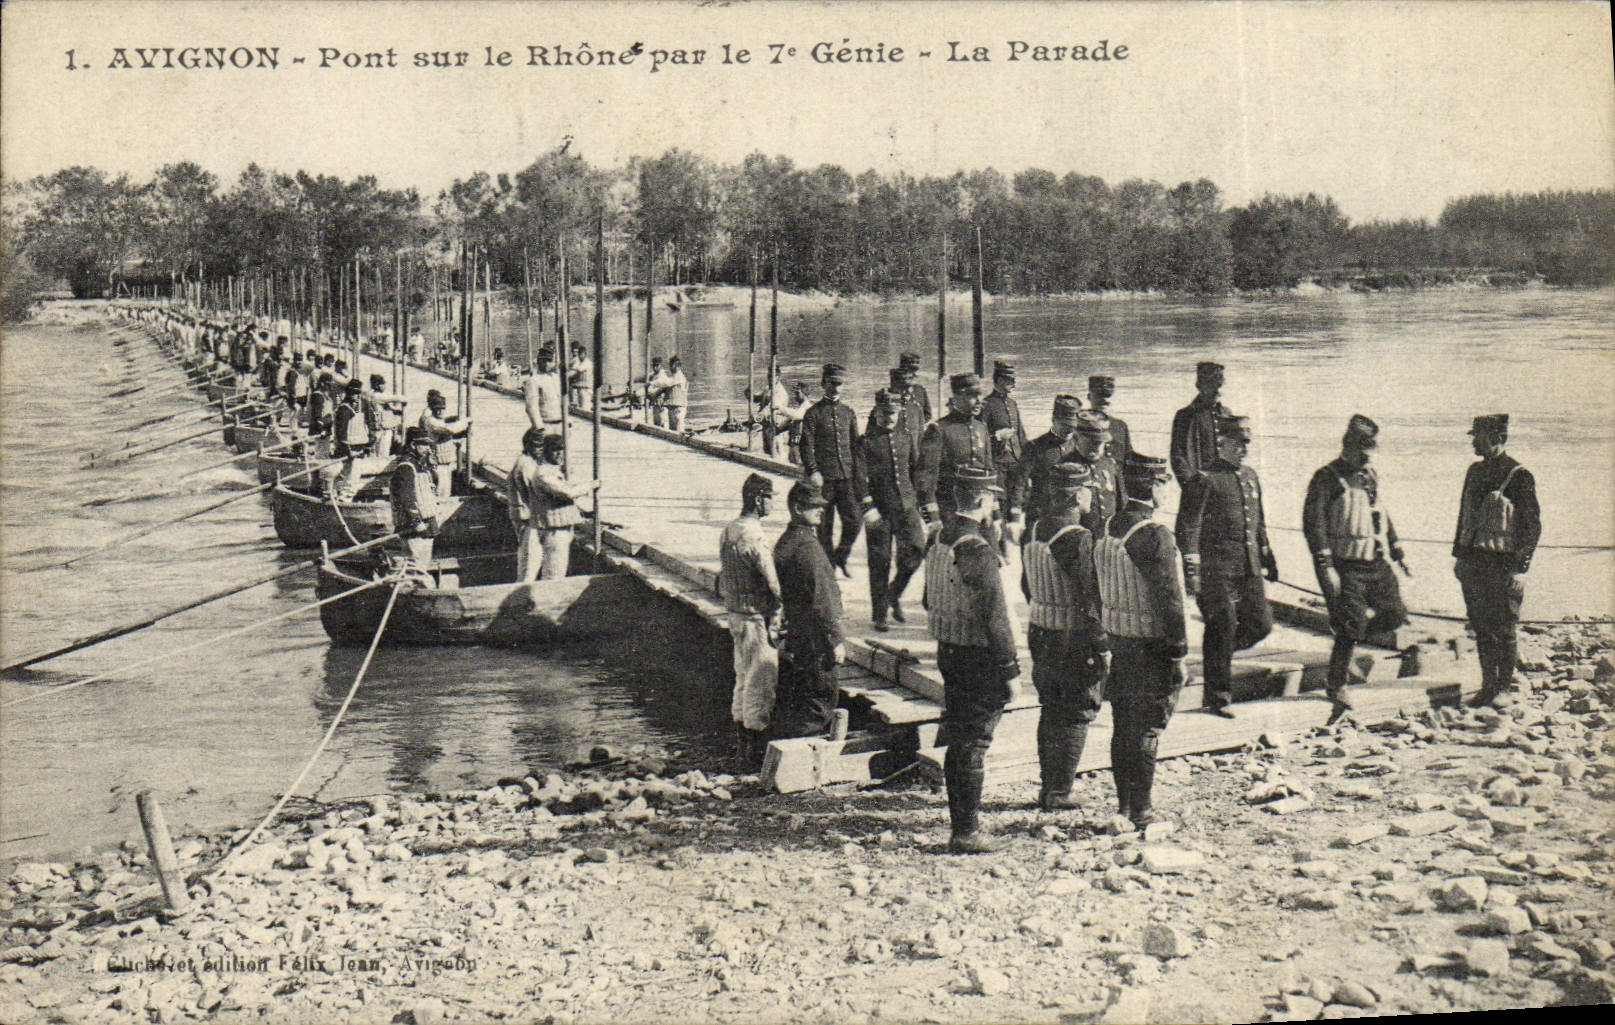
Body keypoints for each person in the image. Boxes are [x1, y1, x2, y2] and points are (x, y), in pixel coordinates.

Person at [924, 465, 1020, 853]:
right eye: (992, 498)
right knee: (974, 741)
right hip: (978, 657)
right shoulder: (976, 549)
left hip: (948, 648)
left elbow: (928, 599)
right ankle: (966, 832)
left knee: (960, 736)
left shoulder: (939, 538)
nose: (994, 504)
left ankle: (963, 825)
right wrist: (1010, 668)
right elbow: (995, 616)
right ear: (981, 500)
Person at [1095, 453, 1189, 828]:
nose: (1168, 490)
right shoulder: (1154, 534)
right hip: (1152, 645)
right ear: (1154, 487)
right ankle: (1143, 809)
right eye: (1165, 483)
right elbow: (1172, 601)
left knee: (1123, 724)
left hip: (1119, 639)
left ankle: (1123, 806)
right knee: (1149, 726)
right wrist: (1179, 653)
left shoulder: (1107, 526)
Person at [1303, 414, 1410, 718]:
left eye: (1370, 452)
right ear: (1347, 446)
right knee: (1350, 625)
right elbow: (1314, 525)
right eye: (1362, 453)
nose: (1367, 459)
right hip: (1344, 564)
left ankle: (1351, 643)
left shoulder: (1370, 475)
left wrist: (1397, 549)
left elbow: (1381, 513)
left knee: (1395, 615)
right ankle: (1336, 683)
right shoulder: (1326, 478)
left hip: (1375, 561)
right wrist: (1326, 566)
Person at [1176, 415, 1277, 718]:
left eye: (1247, 443)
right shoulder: (1204, 479)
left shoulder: (1250, 476)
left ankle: (1216, 658)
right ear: (1222, 443)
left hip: (1248, 565)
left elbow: (1258, 521)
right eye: (1237, 443)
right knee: (1222, 626)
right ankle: (1218, 697)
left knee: (1261, 624)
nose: (1243, 449)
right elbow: (1187, 527)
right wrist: (1192, 570)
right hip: (1215, 569)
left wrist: (1268, 556)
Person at [1021, 462, 1108, 811]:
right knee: (1077, 710)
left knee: (1051, 707)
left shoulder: (1034, 529)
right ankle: (1059, 792)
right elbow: (1091, 597)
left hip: (1041, 629)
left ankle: (1049, 787)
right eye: (1088, 490)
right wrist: (1101, 643)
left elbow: (1026, 584)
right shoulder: (1077, 538)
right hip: (1072, 637)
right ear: (1076, 496)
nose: (1091, 497)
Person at [1453, 413, 1541, 709]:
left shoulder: (1519, 475)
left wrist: (1521, 569)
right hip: (1474, 562)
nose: (1474, 443)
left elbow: (1532, 527)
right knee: (1481, 626)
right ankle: (1487, 687)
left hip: (1504, 565)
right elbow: (1464, 517)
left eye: (1478, 437)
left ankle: (1503, 688)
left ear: (1498, 438)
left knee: (1504, 627)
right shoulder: (1474, 472)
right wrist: (1459, 557)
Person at [771, 481, 846, 740]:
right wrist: (835, 640)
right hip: (817, 641)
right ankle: (805, 755)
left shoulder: (789, 540)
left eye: (821, 505)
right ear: (797, 508)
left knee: (804, 700)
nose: (821, 510)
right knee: (820, 704)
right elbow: (821, 600)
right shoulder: (807, 547)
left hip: (800, 636)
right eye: (814, 506)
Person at [718, 473, 783, 768]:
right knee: (761, 683)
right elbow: (774, 583)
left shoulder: (729, 530)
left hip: (735, 614)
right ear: (758, 500)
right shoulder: (755, 536)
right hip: (757, 618)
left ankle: (741, 749)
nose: (772, 504)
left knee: (742, 679)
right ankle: (755, 756)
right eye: (770, 498)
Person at [860, 388, 925, 630]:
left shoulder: (906, 437)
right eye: (884, 412)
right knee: (880, 561)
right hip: (879, 511)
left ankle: (893, 592)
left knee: (917, 550)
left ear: (899, 414)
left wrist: (920, 502)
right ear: (876, 412)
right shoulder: (865, 442)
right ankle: (879, 614)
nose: (888, 417)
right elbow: (859, 477)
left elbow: (915, 471)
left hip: (906, 507)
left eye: (893, 413)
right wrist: (867, 506)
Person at [509, 430, 600, 581]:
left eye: (562, 449)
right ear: (545, 452)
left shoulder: (551, 470)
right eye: (555, 450)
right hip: (553, 530)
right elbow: (568, 492)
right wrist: (592, 485)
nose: (560, 454)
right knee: (553, 575)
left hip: (557, 527)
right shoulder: (543, 473)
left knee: (555, 571)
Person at [800, 362, 864, 574]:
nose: (836, 388)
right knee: (824, 527)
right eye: (831, 383)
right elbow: (806, 446)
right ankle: (829, 569)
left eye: (839, 384)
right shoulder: (813, 414)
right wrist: (813, 471)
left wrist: (859, 474)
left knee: (855, 521)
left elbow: (855, 447)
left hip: (846, 478)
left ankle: (841, 556)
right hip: (824, 480)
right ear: (823, 384)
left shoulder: (848, 413)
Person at [917, 372, 993, 527]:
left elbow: (989, 472)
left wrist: (995, 514)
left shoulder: (981, 428)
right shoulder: (939, 429)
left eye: (980, 395)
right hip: (951, 511)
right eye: (972, 396)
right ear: (956, 398)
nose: (979, 401)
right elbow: (926, 479)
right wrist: (933, 518)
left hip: (981, 509)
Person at [1018, 394, 1085, 526]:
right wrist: (1015, 516)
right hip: (1042, 515)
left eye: (1072, 426)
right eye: (1065, 424)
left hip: (1073, 515)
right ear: (1054, 419)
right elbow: (1019, 483)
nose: (1069, 430)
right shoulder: (1035, 447)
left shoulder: (1080, 445)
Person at [981, 359, 1028, 540]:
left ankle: (1012, 540)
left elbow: (1021, 435)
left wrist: (1027, 461)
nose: (1013, 384)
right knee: (998, 504)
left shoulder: (1012, 404)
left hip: (1015, 461)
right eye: (1009, 380)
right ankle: (1000, 543)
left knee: (1016, 502)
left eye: (1013, 380)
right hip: (997, 462)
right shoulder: (987, 404)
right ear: (999, 380)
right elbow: (980, 437)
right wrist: (997, 437)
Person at [1169, 361, 1230, 486]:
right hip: (1198, 486)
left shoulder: (1226, 414)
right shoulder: (1186, 415)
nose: (1217, 390)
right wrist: (1191, 485)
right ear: (1201, 386)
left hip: (1223, 486)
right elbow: (1178, 456)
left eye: (1220, 385)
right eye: (1212, 385)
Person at [390, 429, 441, 573]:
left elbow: (432, 486)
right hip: (415, 527)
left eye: (429, 445)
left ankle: (418, 582)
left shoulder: (420, 465)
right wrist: (416, 522)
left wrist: (432, 467)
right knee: (415, 564)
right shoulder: (406, 467)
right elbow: (406, 498)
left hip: (426, 524)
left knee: (422, 564)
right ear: (413, 445)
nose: (428, 449)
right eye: (424, 445)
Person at [1067, 410, 1124, 535]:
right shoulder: (1066, 468)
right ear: (1076, 438)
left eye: (1099, 442)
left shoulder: (1111, 465)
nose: (1096, 447)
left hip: (1108, 539)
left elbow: (1121, 506)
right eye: (1090, 442)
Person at [418, 389, 471, 496]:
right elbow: (450, 430)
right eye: (437, 409)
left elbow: (443, 438)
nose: (440, 412)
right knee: (440, 493)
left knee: (446, 491)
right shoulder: (431, 421)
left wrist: (455, 441)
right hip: (437, 464)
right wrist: (465, 421)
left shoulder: (439, 420)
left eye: (442, 409)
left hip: (446, 463)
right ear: (432, 409)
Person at [1087, 375, 1132, 468]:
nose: (1104, 400)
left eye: (1107, 397)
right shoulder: (1078, 425)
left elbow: (1128, 457)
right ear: (1089, 397)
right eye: (1099, 397)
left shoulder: (1120, 426)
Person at [365, 374, 407, 459]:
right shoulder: (378, 395)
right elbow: (398, 398)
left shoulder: (369, 394)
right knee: (382, 455)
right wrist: (404, 400)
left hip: (375, 428)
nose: (384, 386)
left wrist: (395, 410)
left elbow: (385, 407)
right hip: (382, 430)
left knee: (375, 454)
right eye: (382, 384)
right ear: (377, 385)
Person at [524, 348, 565, 431]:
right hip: (546, 424)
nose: (546, 364)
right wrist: (539, 426)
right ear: (539, 362)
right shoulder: (534, 380)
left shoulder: (556, 378)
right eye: (543, 361)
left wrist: (568, 420)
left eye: (549, 361)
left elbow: (562, 401)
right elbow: (531, 406)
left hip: (560, 424)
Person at [898, 351, 932, 424]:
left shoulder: (920, 390)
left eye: (910, 377)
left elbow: (928, 414)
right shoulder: (893, 391)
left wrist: (916, 425)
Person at [662, 355, 689, 431]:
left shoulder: (679, 376)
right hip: (672, 407)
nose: (671, 368)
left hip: (679, 408)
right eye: (670, 365)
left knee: (679, 430)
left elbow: (667, 383)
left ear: (678, 366)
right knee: (672, 430)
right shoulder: (673, 377)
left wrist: (651, 383)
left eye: (672, 366)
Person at [647, 357, 671, 427]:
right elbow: (645, 377)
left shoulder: (662, 375)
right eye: (654, 365)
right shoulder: (653, 374)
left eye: (657, 365)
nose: (655, 367)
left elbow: (662, 387)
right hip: (654, 400)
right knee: (656, 420)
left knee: (661, 420)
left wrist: (651, 392)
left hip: (660, 401)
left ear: (660, 365)